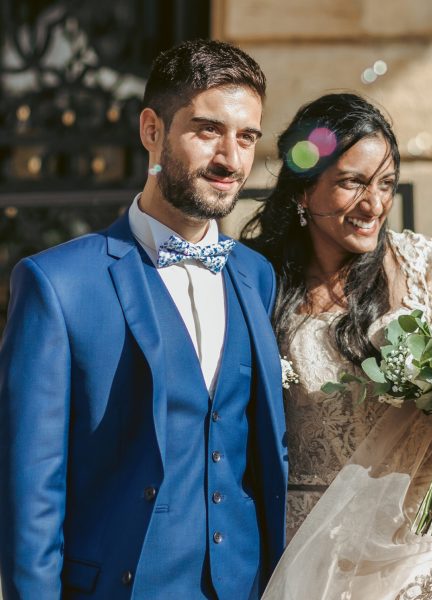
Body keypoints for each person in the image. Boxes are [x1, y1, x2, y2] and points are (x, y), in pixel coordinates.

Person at [0, 39, 287, 599]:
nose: (231, 159)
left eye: (246, 137)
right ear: (152, 130)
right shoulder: (58, 284)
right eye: (207, 131)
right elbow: (30, 491)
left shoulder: (256, 275)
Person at [244, 93, 432, 599]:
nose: (374, 204)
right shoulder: (255, 280)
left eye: (384, 184)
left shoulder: (429, 269)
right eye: (352, 182)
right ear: (303, 189)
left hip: (416, 535)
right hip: (305, 540)